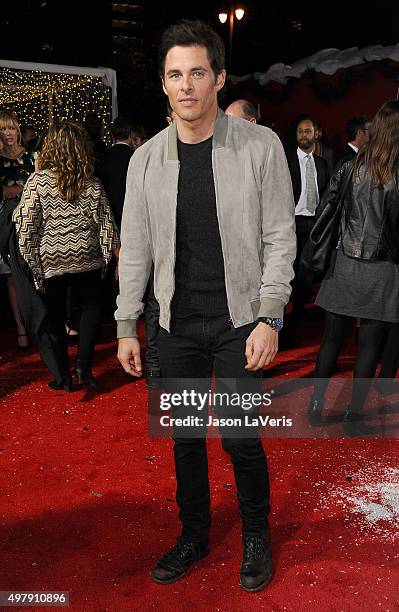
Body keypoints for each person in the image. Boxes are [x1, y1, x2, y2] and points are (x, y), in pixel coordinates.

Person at [116, 20, 296, 592]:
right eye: (175, 74)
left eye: (197, 72)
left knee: (242, 438)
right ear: (164, 85)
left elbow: (279, 237)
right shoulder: (144, 160)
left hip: (240, 320)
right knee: (186, 440)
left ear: (218, 78)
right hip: (174, 324)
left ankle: (254, 535)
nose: (186, 85)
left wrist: (270, 315)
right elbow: (136, 248)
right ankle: (193, 534)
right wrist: (126, 323)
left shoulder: (260, 146)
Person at [307, 101, 399, 434]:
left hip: (344, 262)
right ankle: (352, 412)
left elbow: (325, 211)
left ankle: (316, 407)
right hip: (383, 267)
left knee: (331, 339)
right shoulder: (395, 173)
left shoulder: (349, 166)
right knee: (369, 345)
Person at [13, 121, 120, 391]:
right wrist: (111, 258)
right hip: (87, 257)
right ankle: (84, 365)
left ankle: (63, 376)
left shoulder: (37, 182)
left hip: (52, 261)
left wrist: (30, 260)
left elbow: (24, 224)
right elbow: (106, 224)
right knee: (92, 308)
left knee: (54, 317)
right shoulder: (91, 182)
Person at [285, 117, 329, 320]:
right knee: (289, 270)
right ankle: (286, 311)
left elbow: (326, 194)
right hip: (291, 222)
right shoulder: (286, 160)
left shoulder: (322, 164)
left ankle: (298, 312)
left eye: (307, 131)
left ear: (316, 134)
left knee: (307, 272)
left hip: (313, 224)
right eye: (300, 131)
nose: (303, 135)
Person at [0, 110, 36, 350]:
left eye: (11, 128)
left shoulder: (32, 156)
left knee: (33, 274)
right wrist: (18, 190)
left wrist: (16, 190)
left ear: (18, 130)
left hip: (32, 221)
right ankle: (21, 327)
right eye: (2, 129)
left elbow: (41, 185)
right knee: (12, 277)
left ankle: (38, 324)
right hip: (5, 224)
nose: (8, 133)